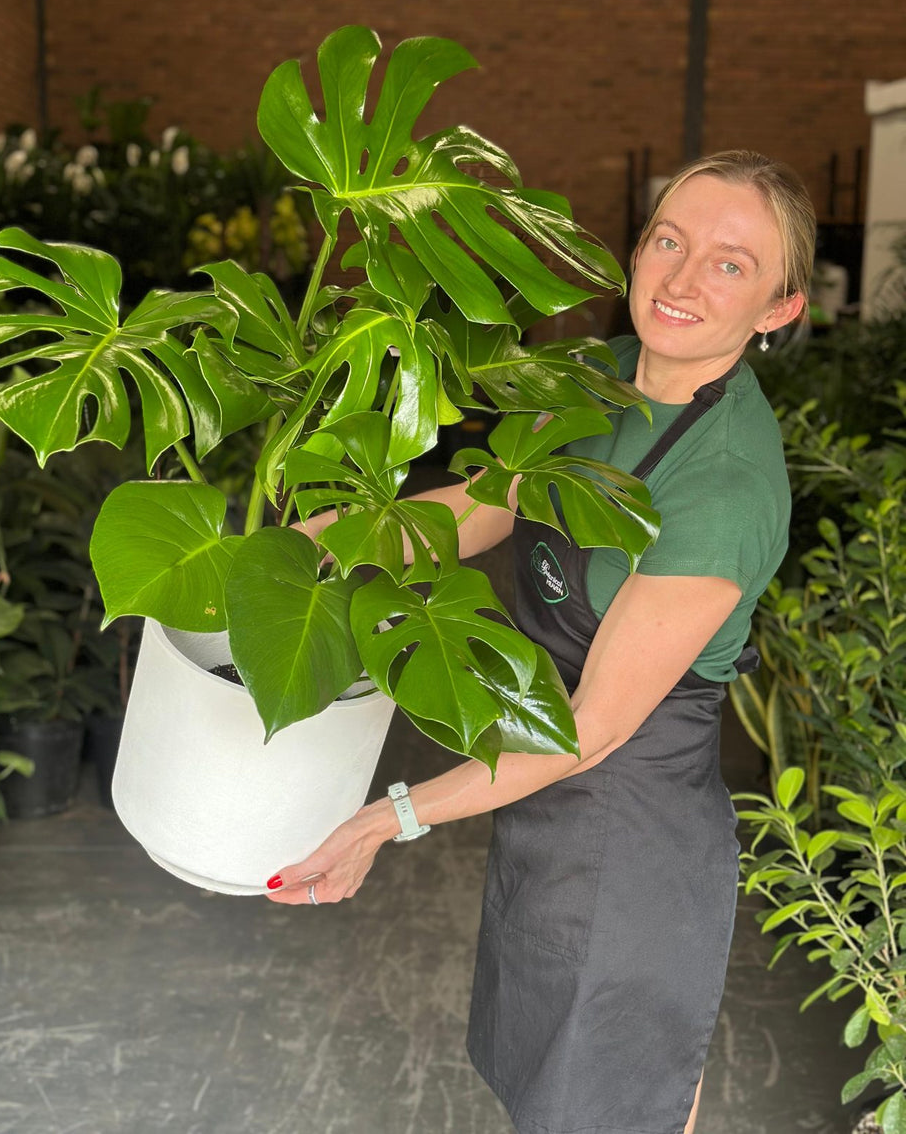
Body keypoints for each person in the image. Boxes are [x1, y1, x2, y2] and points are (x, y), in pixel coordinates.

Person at [265, 149, 815, 1134]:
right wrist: (310, 546)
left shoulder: (724, 485)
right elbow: (490, 502)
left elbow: (587, 730)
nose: (684, 279)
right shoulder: (597, 376)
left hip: (628, 837)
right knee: (547, 1093)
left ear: (779, 308)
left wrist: (386, 818)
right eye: (669, 241)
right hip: (538, 809)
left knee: (608, 1106)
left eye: (730, 264)